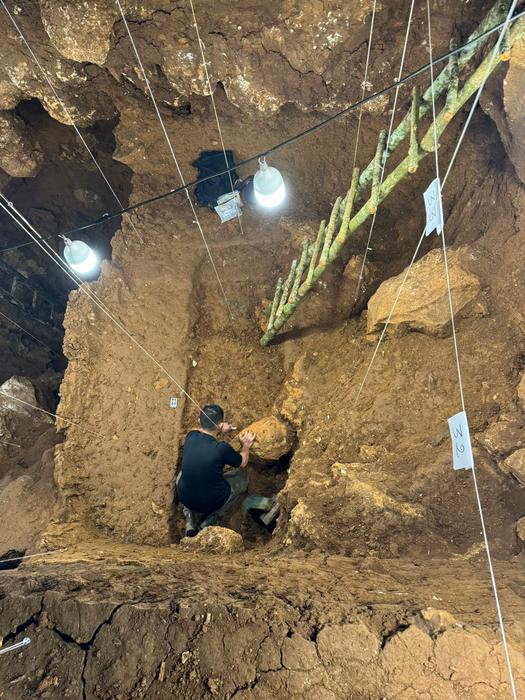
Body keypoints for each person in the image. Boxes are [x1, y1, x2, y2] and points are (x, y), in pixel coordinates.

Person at [176, 404, 256, 536]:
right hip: (212, 502)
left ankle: (190, 519)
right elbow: (242, 462)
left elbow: (197, 430)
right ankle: (210, 520)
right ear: (219, 425)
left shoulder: (190, 437)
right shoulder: (221, 448)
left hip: (185, 497)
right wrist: (246, 445)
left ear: (199, 421)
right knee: (242, 478)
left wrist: (218, 427)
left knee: (182, 475)